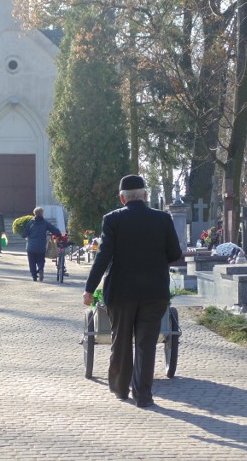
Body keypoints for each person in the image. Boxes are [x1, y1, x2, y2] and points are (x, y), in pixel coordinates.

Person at [82, 175, 182, 408]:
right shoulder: (163, 218)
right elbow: (175, 252)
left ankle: (120, 388)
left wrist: (89, 289)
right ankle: (143, 396)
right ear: (145, 196)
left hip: (121, 291)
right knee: (147, 344)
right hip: (154, 291)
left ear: (122, 198)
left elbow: (103, 257)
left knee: (121, 340)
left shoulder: (112, 220)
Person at [22, 207, 61, 281]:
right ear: (42, 213)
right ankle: (40, 269)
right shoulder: (45, 223)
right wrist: (59, 234)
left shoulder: (30, 223)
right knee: (41, 260)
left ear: (34, 213)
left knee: (32, 261)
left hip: (31, 246)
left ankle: (34, 276)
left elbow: (24, 234)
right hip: (41, 246)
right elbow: (55, 230)